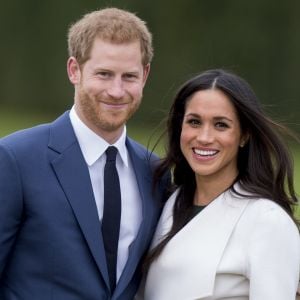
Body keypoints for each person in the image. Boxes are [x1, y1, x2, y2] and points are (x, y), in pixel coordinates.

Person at [0, 7, 169, 300]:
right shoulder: (15, 159)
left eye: (128, 76)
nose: (117, 91)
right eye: (104, 74)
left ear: (145, 75)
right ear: (74, 70)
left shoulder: (155, 172)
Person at [137, 69, 300, 299]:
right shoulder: (168, 203)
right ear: (180, 128)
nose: (204, 137)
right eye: (194, 121)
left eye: (221, 125)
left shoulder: (267, 221)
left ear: (244, 135)